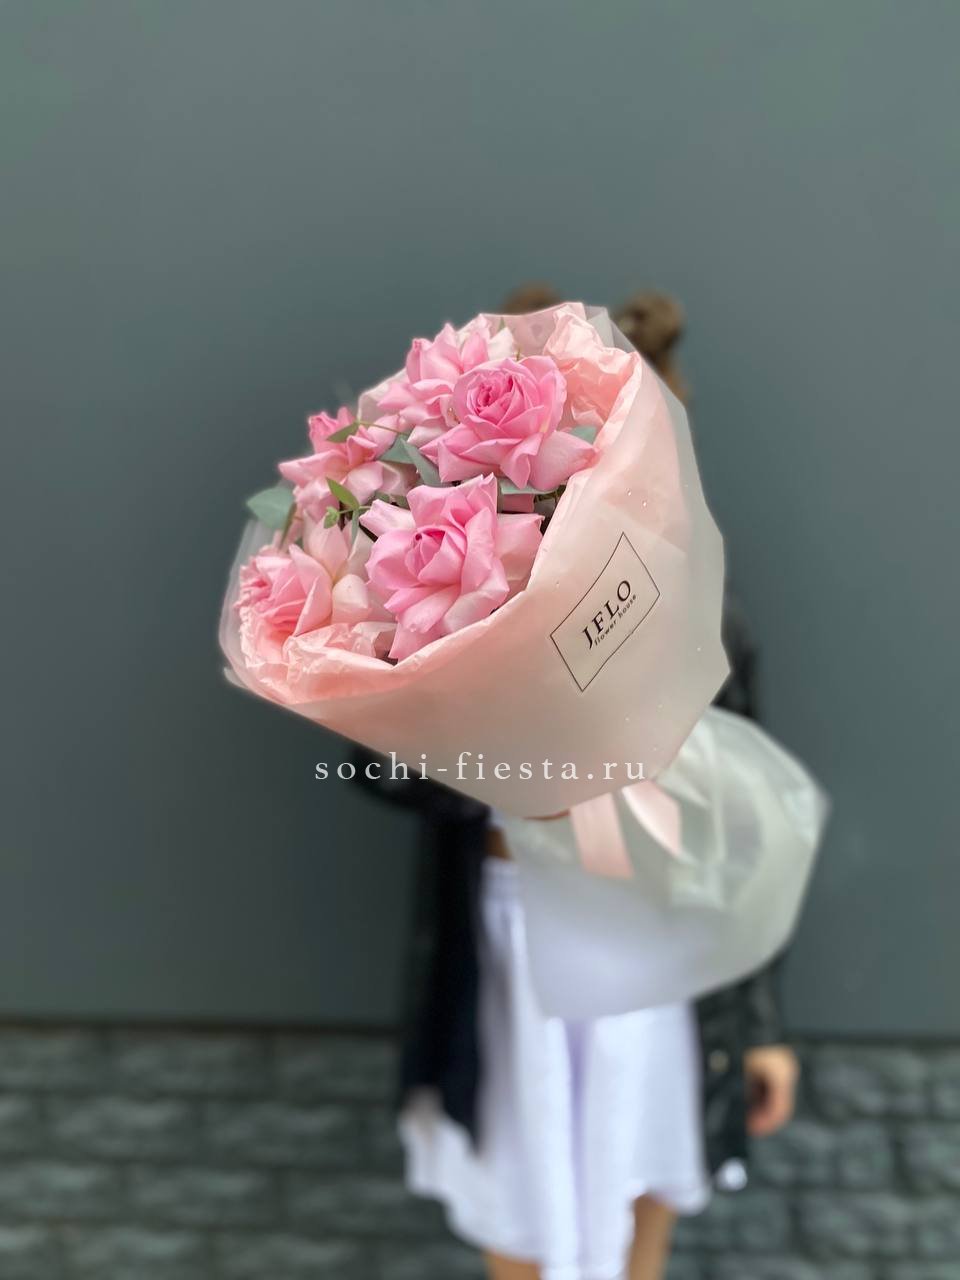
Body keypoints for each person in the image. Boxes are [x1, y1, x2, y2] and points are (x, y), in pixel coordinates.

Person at [352, 288, 798, 1280]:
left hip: (653, 928)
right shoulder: (443, 588)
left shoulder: (703, 611)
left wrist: (759, 1028)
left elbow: (741, 832)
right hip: (511, 937)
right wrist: (497, 758)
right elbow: (374, 761)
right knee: (525, 1201)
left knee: (641, 1190)